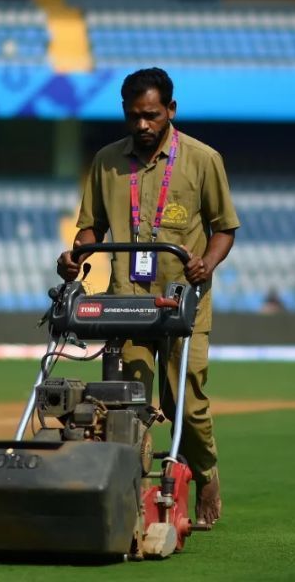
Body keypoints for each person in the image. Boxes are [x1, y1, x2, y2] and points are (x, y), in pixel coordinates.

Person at [56, 67, 240, 531]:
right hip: (126, 302)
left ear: (170, 111)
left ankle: (206, 474)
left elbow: (225, 229)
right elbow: (90, 226)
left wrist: (207, 263)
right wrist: (78, 254)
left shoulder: (202, 159)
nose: (143, 125)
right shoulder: (106, 162)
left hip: (183, 303)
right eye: (135, 116)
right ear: (124, 112)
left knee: (186, 402)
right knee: (124, 400)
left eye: (152, 116)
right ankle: (129, 496)